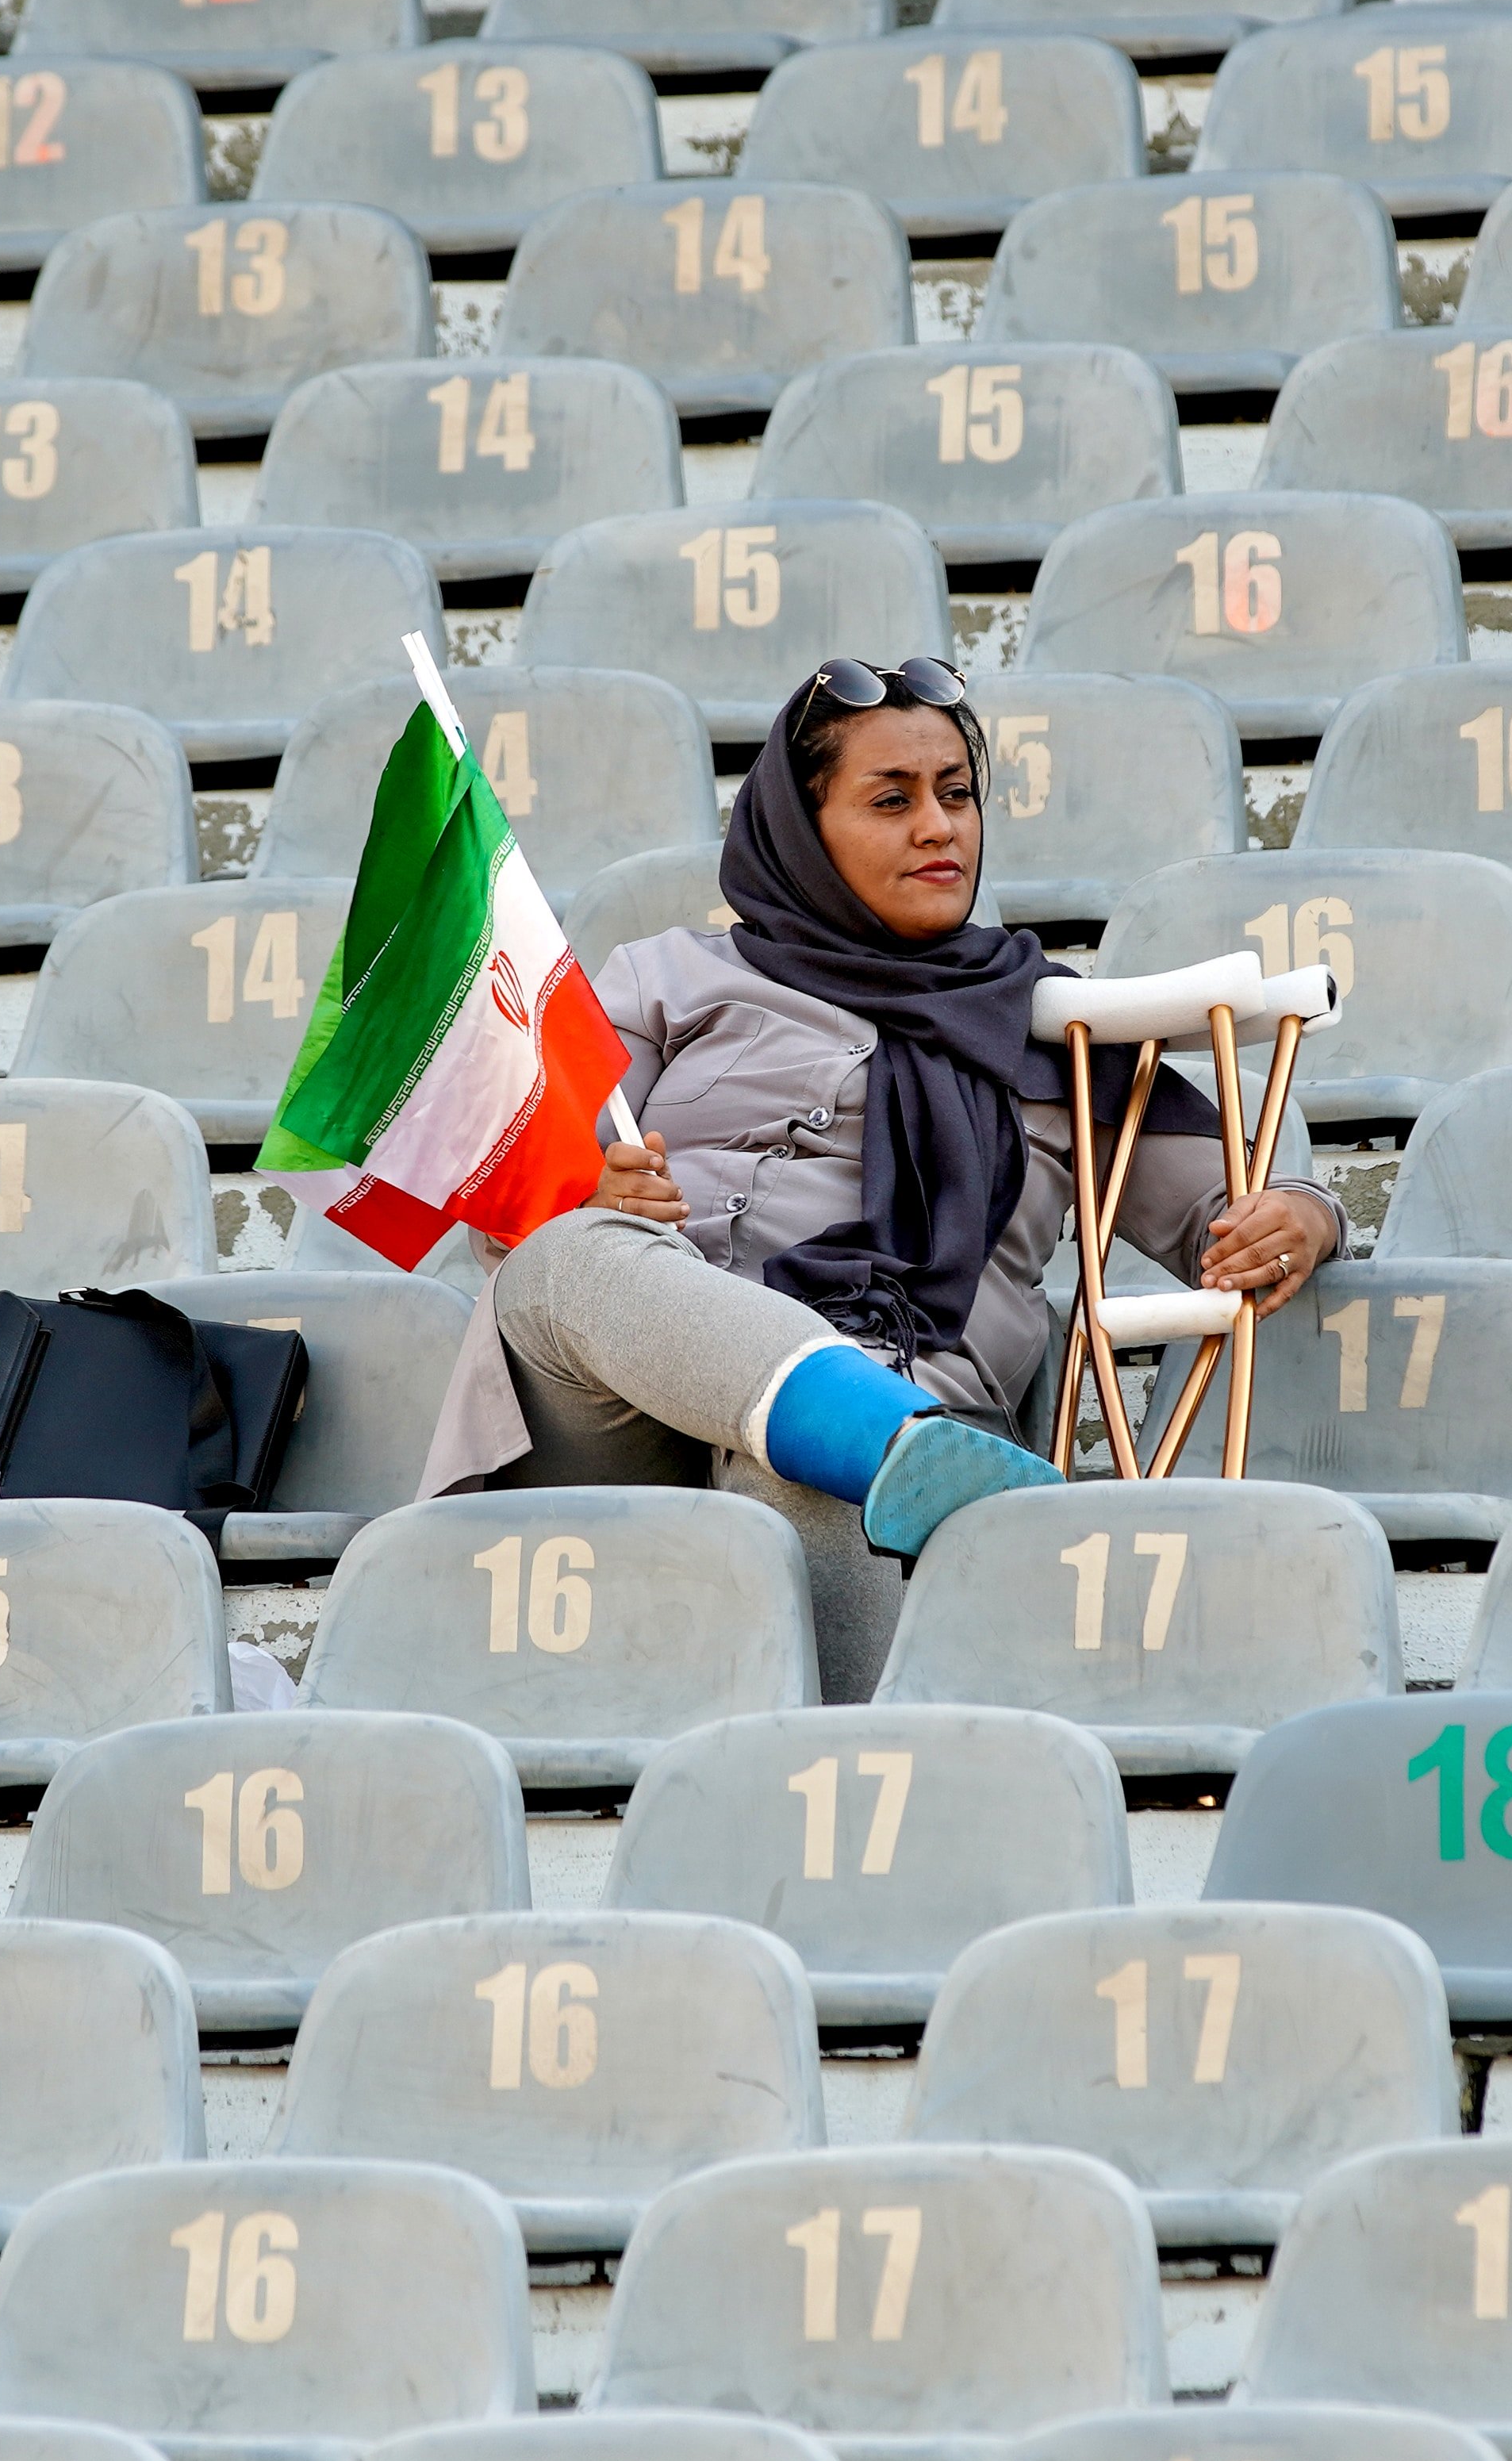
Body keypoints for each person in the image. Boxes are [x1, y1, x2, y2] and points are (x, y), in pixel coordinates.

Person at [421, 654, 1344, 1699]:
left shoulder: (1057, 1027)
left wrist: (1307, 1218)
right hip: (627, 1418)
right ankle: (868, 1429)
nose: (938, 827)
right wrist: (583, 1194)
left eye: (956, 795)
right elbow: (507, 1196)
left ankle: (874, 1443)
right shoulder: (666, 979)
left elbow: (1235, 1216)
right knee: (565, 1256)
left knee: (826, 1454)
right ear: (802, 828)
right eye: (891, 801)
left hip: (903, 1397)